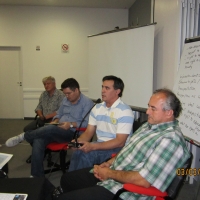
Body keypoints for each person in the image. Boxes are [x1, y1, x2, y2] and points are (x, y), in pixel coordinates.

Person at [53, 88, 190, 200]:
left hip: (125, 192)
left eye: (153, 108)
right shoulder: (148, 126)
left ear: (169, 113)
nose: (147, 111)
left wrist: (110, 173)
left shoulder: (170, 140)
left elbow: (144, 180)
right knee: (67, 180)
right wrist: (109, 163)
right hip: (115, 173)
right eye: (148, 106)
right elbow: (128, 149)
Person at [5, 78, 94, 177]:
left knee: (50, 129)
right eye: (65, 94)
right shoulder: (65, 99)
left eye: (69, 93)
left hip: (72, 133)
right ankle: (36, 176)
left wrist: (71, 124)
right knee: (38, 140)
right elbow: (59, 113)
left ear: (76, 90)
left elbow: (88, 124)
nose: (66, 96)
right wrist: (55, 120)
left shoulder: (87, 103)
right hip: (57, 129)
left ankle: (24, 136)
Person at [68, 75, 134, 171]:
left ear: (117, 91)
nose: (103, 90)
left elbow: (120, 142)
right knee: (78, 152)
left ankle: (81, 184)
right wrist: (78, 142)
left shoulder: (125, 111)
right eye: (102, 87)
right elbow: (88, 132)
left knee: (87, 154)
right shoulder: (97, 108)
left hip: (118, 149)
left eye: (107, 88)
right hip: (100, 144)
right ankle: (69, 183)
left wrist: (93, 146)